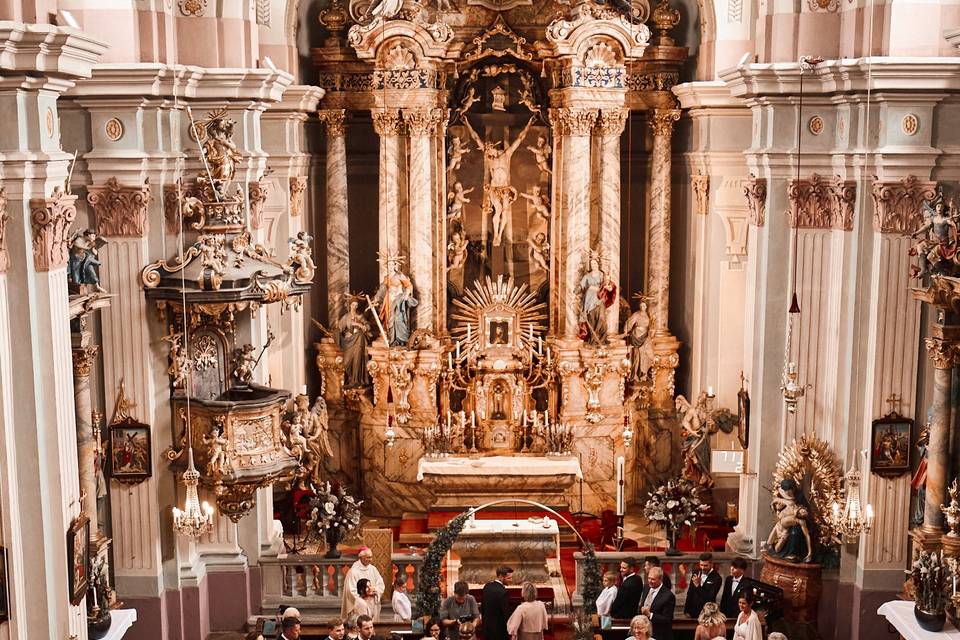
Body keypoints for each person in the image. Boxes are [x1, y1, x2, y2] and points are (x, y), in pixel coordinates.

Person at [343, 547, 385, 619]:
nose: (370, 559)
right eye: (368, 557)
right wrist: (363, 600)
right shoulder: (353, 571)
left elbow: (380, 584)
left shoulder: (373, 569)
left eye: (371, 557)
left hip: (372, 603)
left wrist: (375, 590)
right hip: (360, 606)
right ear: (361, 557)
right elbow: (350, 590)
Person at [639, 567, 675, 640]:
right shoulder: (646, 587)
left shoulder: (668, 596)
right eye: (649, 578)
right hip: (644, 633)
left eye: (653, 579)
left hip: (659, 634)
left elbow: (667, 619)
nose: (650, 581)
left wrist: (650, 615)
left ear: (660, 579)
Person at [684, 553, 722, 619]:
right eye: (701, 565)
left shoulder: (717, 578)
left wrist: (698, 586)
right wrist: (686, 610)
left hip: (707, 613)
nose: (702, 568)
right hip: (693, 612)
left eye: (705, 565)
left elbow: (710, 597)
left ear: (711, 564)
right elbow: (690, 592)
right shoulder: (696, 572)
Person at [481, 566, 513, 640]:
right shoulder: (503, 592)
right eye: (509, 578)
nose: (511, 580)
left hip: (487, 630)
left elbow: (483, 609)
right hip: (499, 633)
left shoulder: (487, 586)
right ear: (501, 577)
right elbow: (506, 615)